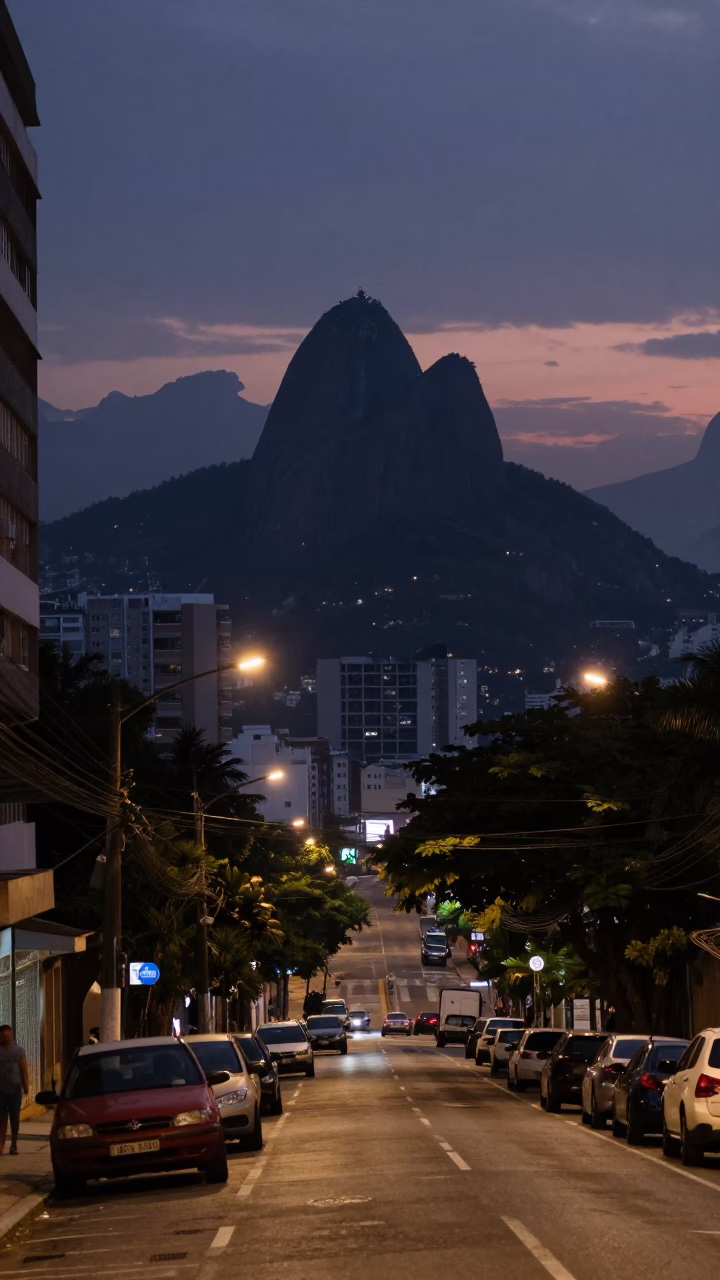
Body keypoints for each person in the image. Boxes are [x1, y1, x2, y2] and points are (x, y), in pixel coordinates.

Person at [0, 1025, 29, 1156]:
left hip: (15, 1090)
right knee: (1, 1119)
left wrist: (26, 1084)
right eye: (3, 1035)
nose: (6, 1037)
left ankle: (14, 1144)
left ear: (11, 1035)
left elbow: (24, 1068)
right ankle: (1, 1145)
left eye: (8, 1035)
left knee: (15, 1118)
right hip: (0, 1091)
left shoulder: (18, 1050)